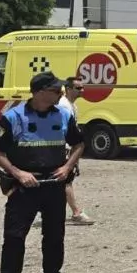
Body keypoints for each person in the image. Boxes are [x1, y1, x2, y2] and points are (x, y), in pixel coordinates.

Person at [0, 71, 84, 273]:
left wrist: (67, 167)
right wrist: (18, 172)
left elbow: (79, 144)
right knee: (14, 240)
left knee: (54, 238)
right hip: (24, 187)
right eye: (56, 90)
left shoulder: (63, 114)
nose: (61, 93)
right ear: (41, 92)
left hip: (53, 186)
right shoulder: (13, 117)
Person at [58, 77, 93, 224]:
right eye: (78, 88)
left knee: (62, 181)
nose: (82, 90)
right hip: (63, 148)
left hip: (68, 147)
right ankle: (76, 213)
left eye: (82, 87)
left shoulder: (72, 106)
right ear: (68, 89)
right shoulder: (63, 106)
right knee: (65, 180)